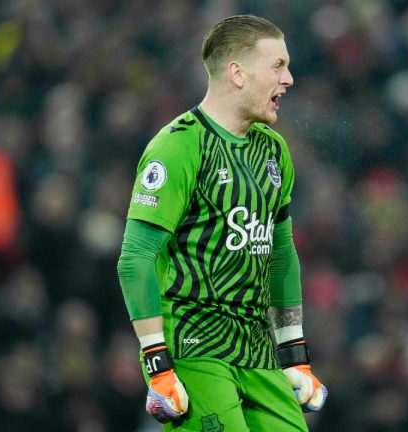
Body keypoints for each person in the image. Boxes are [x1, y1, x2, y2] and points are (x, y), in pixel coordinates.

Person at [116, 15, 327, 431]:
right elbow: (135, 257)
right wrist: (157, 364)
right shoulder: (177, 147)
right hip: (194, 346)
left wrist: (294, 355)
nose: (289, 79)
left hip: (256, 349)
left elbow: (281, 253)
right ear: (237, 73)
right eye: (278, 66)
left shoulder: (273, 151)